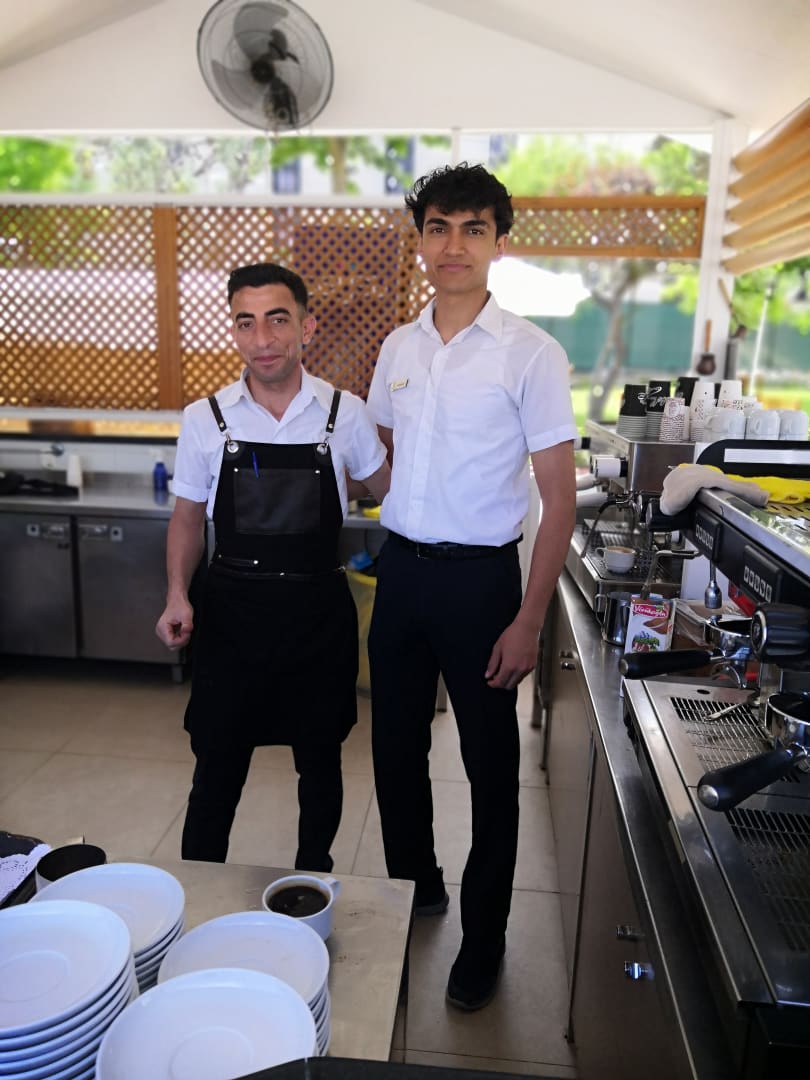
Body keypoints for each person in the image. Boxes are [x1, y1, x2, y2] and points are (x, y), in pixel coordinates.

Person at [366, 164, 577, 1011]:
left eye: (473, 229)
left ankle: (484, 940)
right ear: (420, 238)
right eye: (438, 227)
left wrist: (530, 618)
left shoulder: (532, 353)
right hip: (401, 574)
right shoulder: (398, 347)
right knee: (393, 752)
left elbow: (558, 498)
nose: (453, 245)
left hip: (483, 586)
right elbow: (386, 453)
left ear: (498, 242)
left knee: (491, 771)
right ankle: (415, 886)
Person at [155, 262, 390, 872]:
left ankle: (312, 879)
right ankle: (198, 886)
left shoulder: (345, 413)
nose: (262, 339)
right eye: (246, 322)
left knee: (321, 763)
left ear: (306, 327)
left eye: (277, 320)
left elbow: (391, 490)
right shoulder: (205, 417)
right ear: (233, 330)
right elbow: (187, 519)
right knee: (216, 767)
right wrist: (178, 594)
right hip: (231, 617)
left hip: (317, 616)